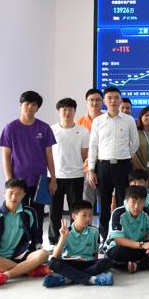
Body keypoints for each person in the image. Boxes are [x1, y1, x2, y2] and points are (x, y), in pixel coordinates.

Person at [0, 90, 57, 241]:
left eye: (34, 105)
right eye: (27, 103)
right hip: (18, 181)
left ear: (37, 108)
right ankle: (21, 244)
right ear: (20, 105)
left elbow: (49, 155)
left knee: (38, 214)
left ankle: (37, 243)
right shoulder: (10, 128)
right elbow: (5, 156)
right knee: (20, 213)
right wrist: (10, 181)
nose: (30, 107)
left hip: (40, 180)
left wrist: (53, 178)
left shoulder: (44, 128)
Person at [0, 178, 51, 289]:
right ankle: (29, 270)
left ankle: (5, 275)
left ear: (23, 195)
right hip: (0, 258)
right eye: (11, 193)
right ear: (4, 193)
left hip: (22, 255)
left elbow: (36, 237)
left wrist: (37, 249)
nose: (13, 197)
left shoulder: (30, 213)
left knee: (43, 253)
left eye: (18, 194)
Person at [87, 87, 139, 239]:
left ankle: (123, 234)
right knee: (103, 203)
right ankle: (105, 236)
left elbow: (135, 143)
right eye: (109, 98)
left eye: (116, 97)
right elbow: (93, 146)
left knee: (124, 201)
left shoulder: (129, 120)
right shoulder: (98, 121)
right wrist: (91, 169)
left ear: (120, 100)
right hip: (103, 166)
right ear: (104, 101)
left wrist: (126, 156)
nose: (113, 101)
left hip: (123, 166)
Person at [44, 199, 114, 287]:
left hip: (87, 263)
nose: (88, 218)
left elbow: (95, 254)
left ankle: (68, 278)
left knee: (108, 261)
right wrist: (63, 238)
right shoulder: (66, 232)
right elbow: (56, 256)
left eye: (90, 215)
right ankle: (93, 279)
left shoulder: (94, 231)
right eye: (84, 215)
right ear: (74, 216)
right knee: (52, 262)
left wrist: (95, 264)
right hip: (70, 263)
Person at [49, 97, 89, 245]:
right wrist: (51, 176)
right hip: (55, 177)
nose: (67, 112)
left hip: (76, 176)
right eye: (64, 109)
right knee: (55, 211)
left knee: (76, 212)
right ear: (58, 111)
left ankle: (74, 240)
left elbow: (84, 154)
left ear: (74, 111)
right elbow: (47, 154)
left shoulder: (83, 131)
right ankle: (54, 241)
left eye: (70, 109)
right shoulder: (51, 130)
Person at [103, 185, 149, 273]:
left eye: (141, 202)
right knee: (118, 252)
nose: (136, 206)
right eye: (133, 202)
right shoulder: (118, 213)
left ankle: (133, 266)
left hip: (138, 247)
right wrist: (142, 245)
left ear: (144, 202)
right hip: (120, 247)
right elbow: (118, 240)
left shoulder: (146, 212)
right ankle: (137, 264)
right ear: (127, 201)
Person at [77, 88, 103, 206]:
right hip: (86, 168)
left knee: (105, 200)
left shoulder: (107, 120)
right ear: (86, 102)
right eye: (91, 100)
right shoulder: (79, 122)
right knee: (87, 201)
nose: (94, 103)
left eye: (98, 100)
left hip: (104, 165)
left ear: (102, 102)